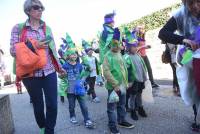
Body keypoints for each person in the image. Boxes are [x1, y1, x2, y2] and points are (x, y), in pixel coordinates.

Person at [10, 0, 66, 133]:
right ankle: (42, 127)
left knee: (52, 104)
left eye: (42, 8)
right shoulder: (18, 28)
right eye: (36, 7)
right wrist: (35, 45)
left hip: (49, 71)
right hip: (30, 74)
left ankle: (49, 131)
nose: (40, 10)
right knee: (38, 106)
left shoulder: (47, 28)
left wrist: (59, 67)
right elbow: (13, 51)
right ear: (28, 10)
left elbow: (53, 50)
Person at [158, 0, 200, 131]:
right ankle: (197, 118)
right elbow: (163, 33)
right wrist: (183, 40)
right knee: (193, 88)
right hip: (190, 55)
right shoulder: (181, 15)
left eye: (198, 2)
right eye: (191, 2)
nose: (195, 6)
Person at [103, 28, 135, 134]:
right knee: (111, 108)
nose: (117, 47)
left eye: (119, 45)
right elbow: (106, 72)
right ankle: (112, 125)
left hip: (122, 85)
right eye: (115, 45)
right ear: (111, 45)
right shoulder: (108, 56)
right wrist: (115, 84)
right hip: (114, 87)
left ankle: (121, 120)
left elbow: (124, 69)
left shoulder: (119, 54)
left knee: (122, 104)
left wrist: (127, 82)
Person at [62, 47, 94, 129]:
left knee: (84, 105)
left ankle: (87, 119)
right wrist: (62, 77)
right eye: (72, 54)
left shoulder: (79, 65)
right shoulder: (65, 65)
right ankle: (72, 116)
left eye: (75, 54)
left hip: (79, 89)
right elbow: (61, 77)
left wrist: (83, 80)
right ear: (68, 56)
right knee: (72, 106)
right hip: (70, 90)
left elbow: (83, 75)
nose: (74, 56)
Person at [123, 28, 148, 121]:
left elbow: (142, 67)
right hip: (133, 81)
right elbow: (126, 70)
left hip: (140, 79)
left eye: (136, 46)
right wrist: (129, 81)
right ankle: (132, 110)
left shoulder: (138, 55)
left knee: (139, 94)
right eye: (133, 46)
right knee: (132, 95)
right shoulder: (126, 57)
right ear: (129, 47)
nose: (136, 47)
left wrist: (145, 77)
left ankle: (140, 108)